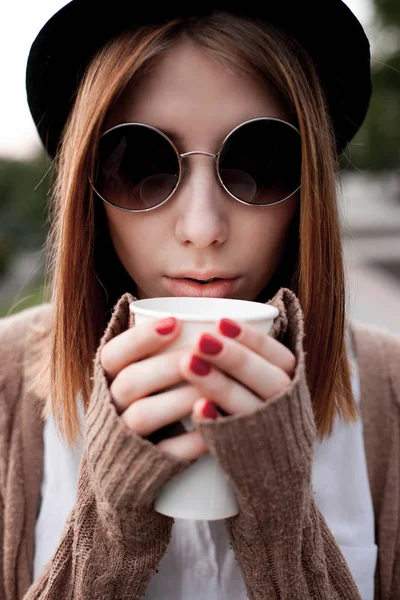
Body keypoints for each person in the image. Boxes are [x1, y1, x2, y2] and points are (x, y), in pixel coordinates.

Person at [1, 1, 399, 599]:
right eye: (139, 164)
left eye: (259, 162)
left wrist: (281, 524)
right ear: (89, 188)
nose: (203, 227)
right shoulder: (6, 384)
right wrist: (110, 528)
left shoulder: (389, 392)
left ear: (309, 185)